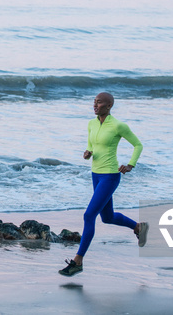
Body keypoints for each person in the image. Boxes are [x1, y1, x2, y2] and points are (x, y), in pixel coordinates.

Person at [59, 92, 148, 277]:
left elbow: (138, 145)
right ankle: (138, 227)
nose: (95, 105)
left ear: (109, 106)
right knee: (107, 217)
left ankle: (78, 261)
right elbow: (91, 146)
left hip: (110, 176)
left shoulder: (118, 126)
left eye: (99, 103)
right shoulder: (91, 124)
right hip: (96, 175)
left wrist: (131, 164)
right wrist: (87, 153)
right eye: (94, 102)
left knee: (89, 215)